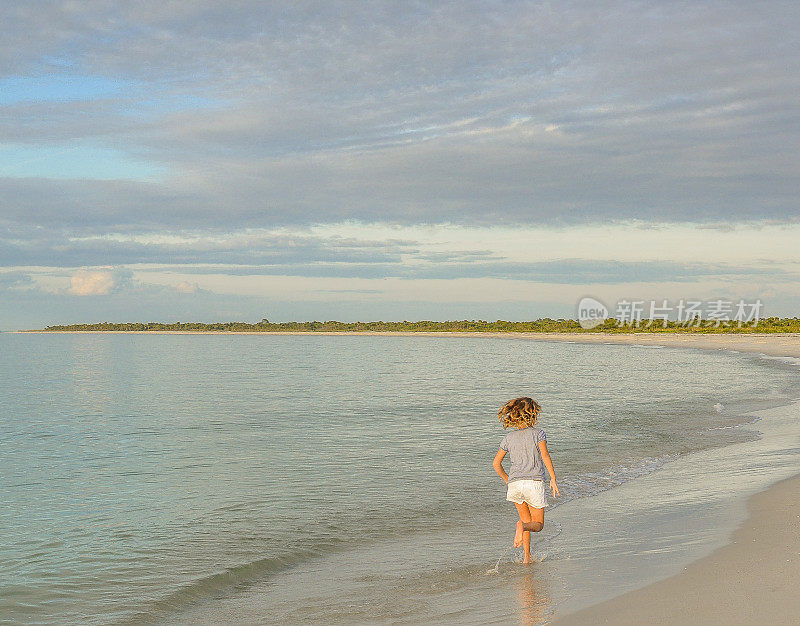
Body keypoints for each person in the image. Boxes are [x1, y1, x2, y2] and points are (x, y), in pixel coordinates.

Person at [492, 396, 559, 564]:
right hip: (533, 484)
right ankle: (521, 529)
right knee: (537, 525)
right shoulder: (538, 434)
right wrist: (553, 478)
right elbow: (544, 455)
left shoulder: (508, 438)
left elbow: (496, 464)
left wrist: (509, 480)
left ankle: (526, 557)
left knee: (526, 521)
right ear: (532, 414)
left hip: (515, 485)